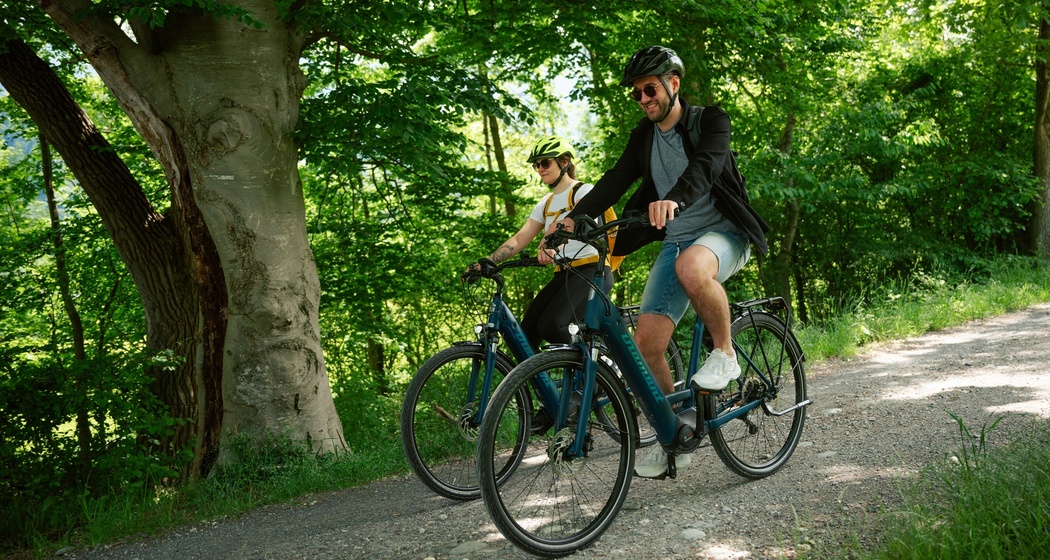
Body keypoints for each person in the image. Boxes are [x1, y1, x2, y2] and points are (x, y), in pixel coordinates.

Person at [557, 46, 770, 478]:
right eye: (635, 93)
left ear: (673, 84)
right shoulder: (644, 137)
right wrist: (573, 218)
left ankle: (725, 352)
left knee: (691, 267)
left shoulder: (711, 121)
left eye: (649, 89)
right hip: (676, 241)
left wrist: (674, 198)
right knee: (646, 347)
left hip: (725, 233)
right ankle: (674, 435)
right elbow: (616, 179)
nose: (643, 99)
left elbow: (707, 166)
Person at [472, 135, 613, 350]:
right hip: (564, 274)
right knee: (525, 335)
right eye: (536, 165)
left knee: (553, 326)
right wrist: (488, 262)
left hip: (592, 271)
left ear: (564, 162)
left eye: (545, 163)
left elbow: (580, 226)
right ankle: (541, 372)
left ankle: (602, 360)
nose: (540, 169)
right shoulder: (546, 203)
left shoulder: (583, 192)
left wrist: (554, 246)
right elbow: (520, 238)